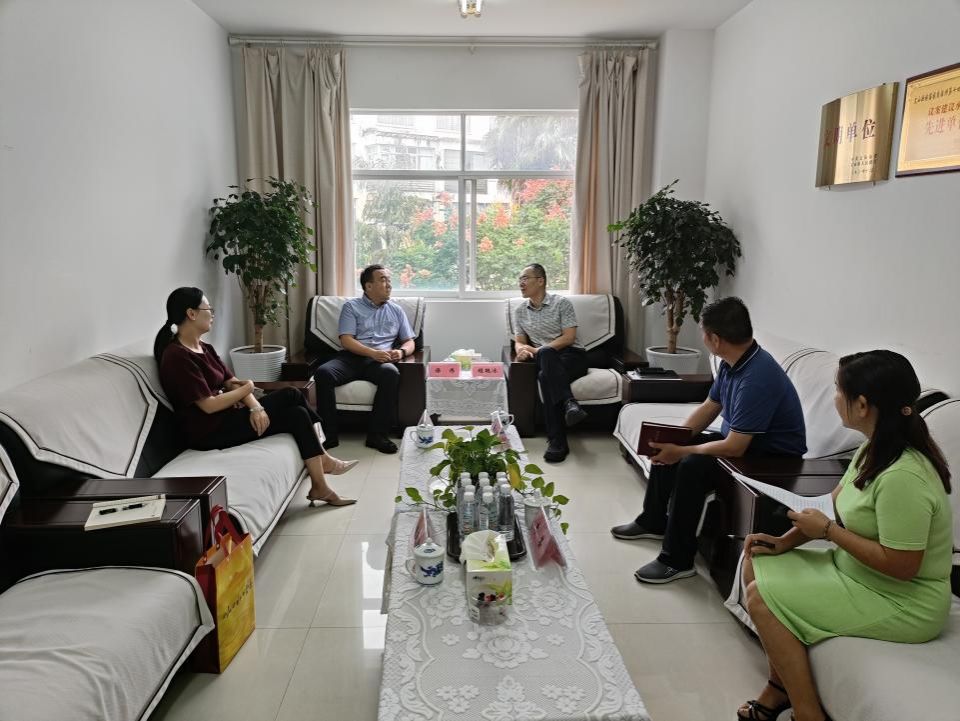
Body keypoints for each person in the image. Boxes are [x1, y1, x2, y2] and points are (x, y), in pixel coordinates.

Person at [737, 350, 952, 721]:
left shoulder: (903, 477)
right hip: (858, 572)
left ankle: (808, 713)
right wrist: (784, 542)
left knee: (761, 598)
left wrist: (829, 533)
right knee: (756, 560)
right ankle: (780, 687)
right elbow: (833, 505)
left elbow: (902, 566)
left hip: (904, 601)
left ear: (863, 405)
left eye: (838, 390)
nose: (834, 398)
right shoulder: (873, 448)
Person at [611, 297, 807, 583]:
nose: (703, 339)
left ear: (715, 339)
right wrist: (675, 439)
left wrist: (682, 451)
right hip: (745, 442)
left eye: (703, 333)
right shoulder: (733, 361)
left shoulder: (757, 378)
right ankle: (653, 521)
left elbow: (735, 447)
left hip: (771, 459)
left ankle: (677, 560)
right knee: (666, 445)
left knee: (691, 465)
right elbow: (710, 406)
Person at [155, 287, 356, 508]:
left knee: (297, 414)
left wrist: (254, 406)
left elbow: (231, 381)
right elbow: (208, 406)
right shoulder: (177, 357)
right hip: (208, 431)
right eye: (208, 309)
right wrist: (249, 388)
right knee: (291, 394)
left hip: (227, 417)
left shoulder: (205, 348)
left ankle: (320, 486)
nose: (212, 314)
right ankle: (324, 457)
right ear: (191, 313)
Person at [313, 265, 416, 454]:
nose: (389, 284)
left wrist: (401, 352)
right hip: (352, 357)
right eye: (383, 280)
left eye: (389, 280)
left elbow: (409, 341)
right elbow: (346, 340)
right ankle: (329, 434)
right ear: (368, 286)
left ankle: (377, 435)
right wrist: (371, 352)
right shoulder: (351, 307)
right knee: (323, 373)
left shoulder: (396, 310)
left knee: (391, 373)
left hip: (380, 361)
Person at [512, 263, 589, 463]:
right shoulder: (520, 311)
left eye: (525, 278)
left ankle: (557, 442)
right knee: (545, 366)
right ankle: (570, 404)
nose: (521, 283)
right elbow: (519, 342)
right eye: (520, 279)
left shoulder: (561, 303)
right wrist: (521, 351)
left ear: (540, 281)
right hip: (544, 359)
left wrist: (538, 350)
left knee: (545, 377)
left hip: (572, 356)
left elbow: (569, 338)